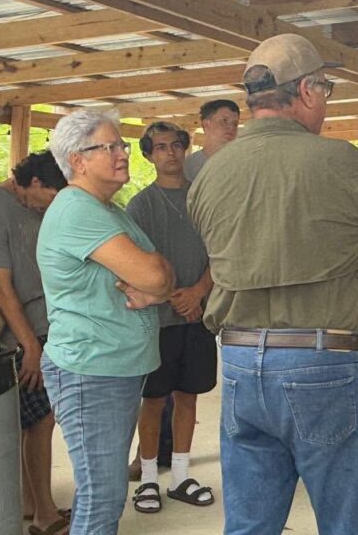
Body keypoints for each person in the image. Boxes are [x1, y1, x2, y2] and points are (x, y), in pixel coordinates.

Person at [187, 33, 358, 535]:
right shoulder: (342, 160)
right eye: (324, 89)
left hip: (239, 362)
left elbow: (224, 248)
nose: (324, 100)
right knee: (355, 522)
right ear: (306, 91)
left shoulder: (211, 173)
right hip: (320, 359)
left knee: (249, 525)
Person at [38, 109, 175, 535]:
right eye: (110, 146)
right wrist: (158, 281)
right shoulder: (79, 210)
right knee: (103, 498)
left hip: (110, 368)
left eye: (122, 145)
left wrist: (159, 282)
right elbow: (156, 275)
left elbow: (163, 276)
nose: (122, 154)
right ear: (78, 160)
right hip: (90, 371)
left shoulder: (108, 210)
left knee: (100, 491)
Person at [127, 122, 217, 514]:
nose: (170, 153)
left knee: (189, 396)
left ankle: (180, 474)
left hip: (198, 315)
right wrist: (171, 297)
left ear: (186, 148)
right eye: (160, 147)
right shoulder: (140, 205)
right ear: (149, 155)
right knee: (153, 400)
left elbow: (221, 252)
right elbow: (132, 264)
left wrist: (198, 292)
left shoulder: (204, 198)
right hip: (156, 322)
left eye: (177, 145)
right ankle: (148, 478)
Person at [0, 151, 70, 535]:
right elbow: (1, 286)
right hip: (22, 331)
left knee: (30, 420)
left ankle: (31, 503)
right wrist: (30, 346)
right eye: (50, 196)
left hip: (46, 321)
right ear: (34, 182)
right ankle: (46, 515)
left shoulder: (32, 205)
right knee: (43, 419)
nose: (50, 205)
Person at [183, 98, 240, 181]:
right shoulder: (189, 166)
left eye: (235, 124)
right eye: (224, 121)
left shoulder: (242, 162)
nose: (231, 127)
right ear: (206, 124)